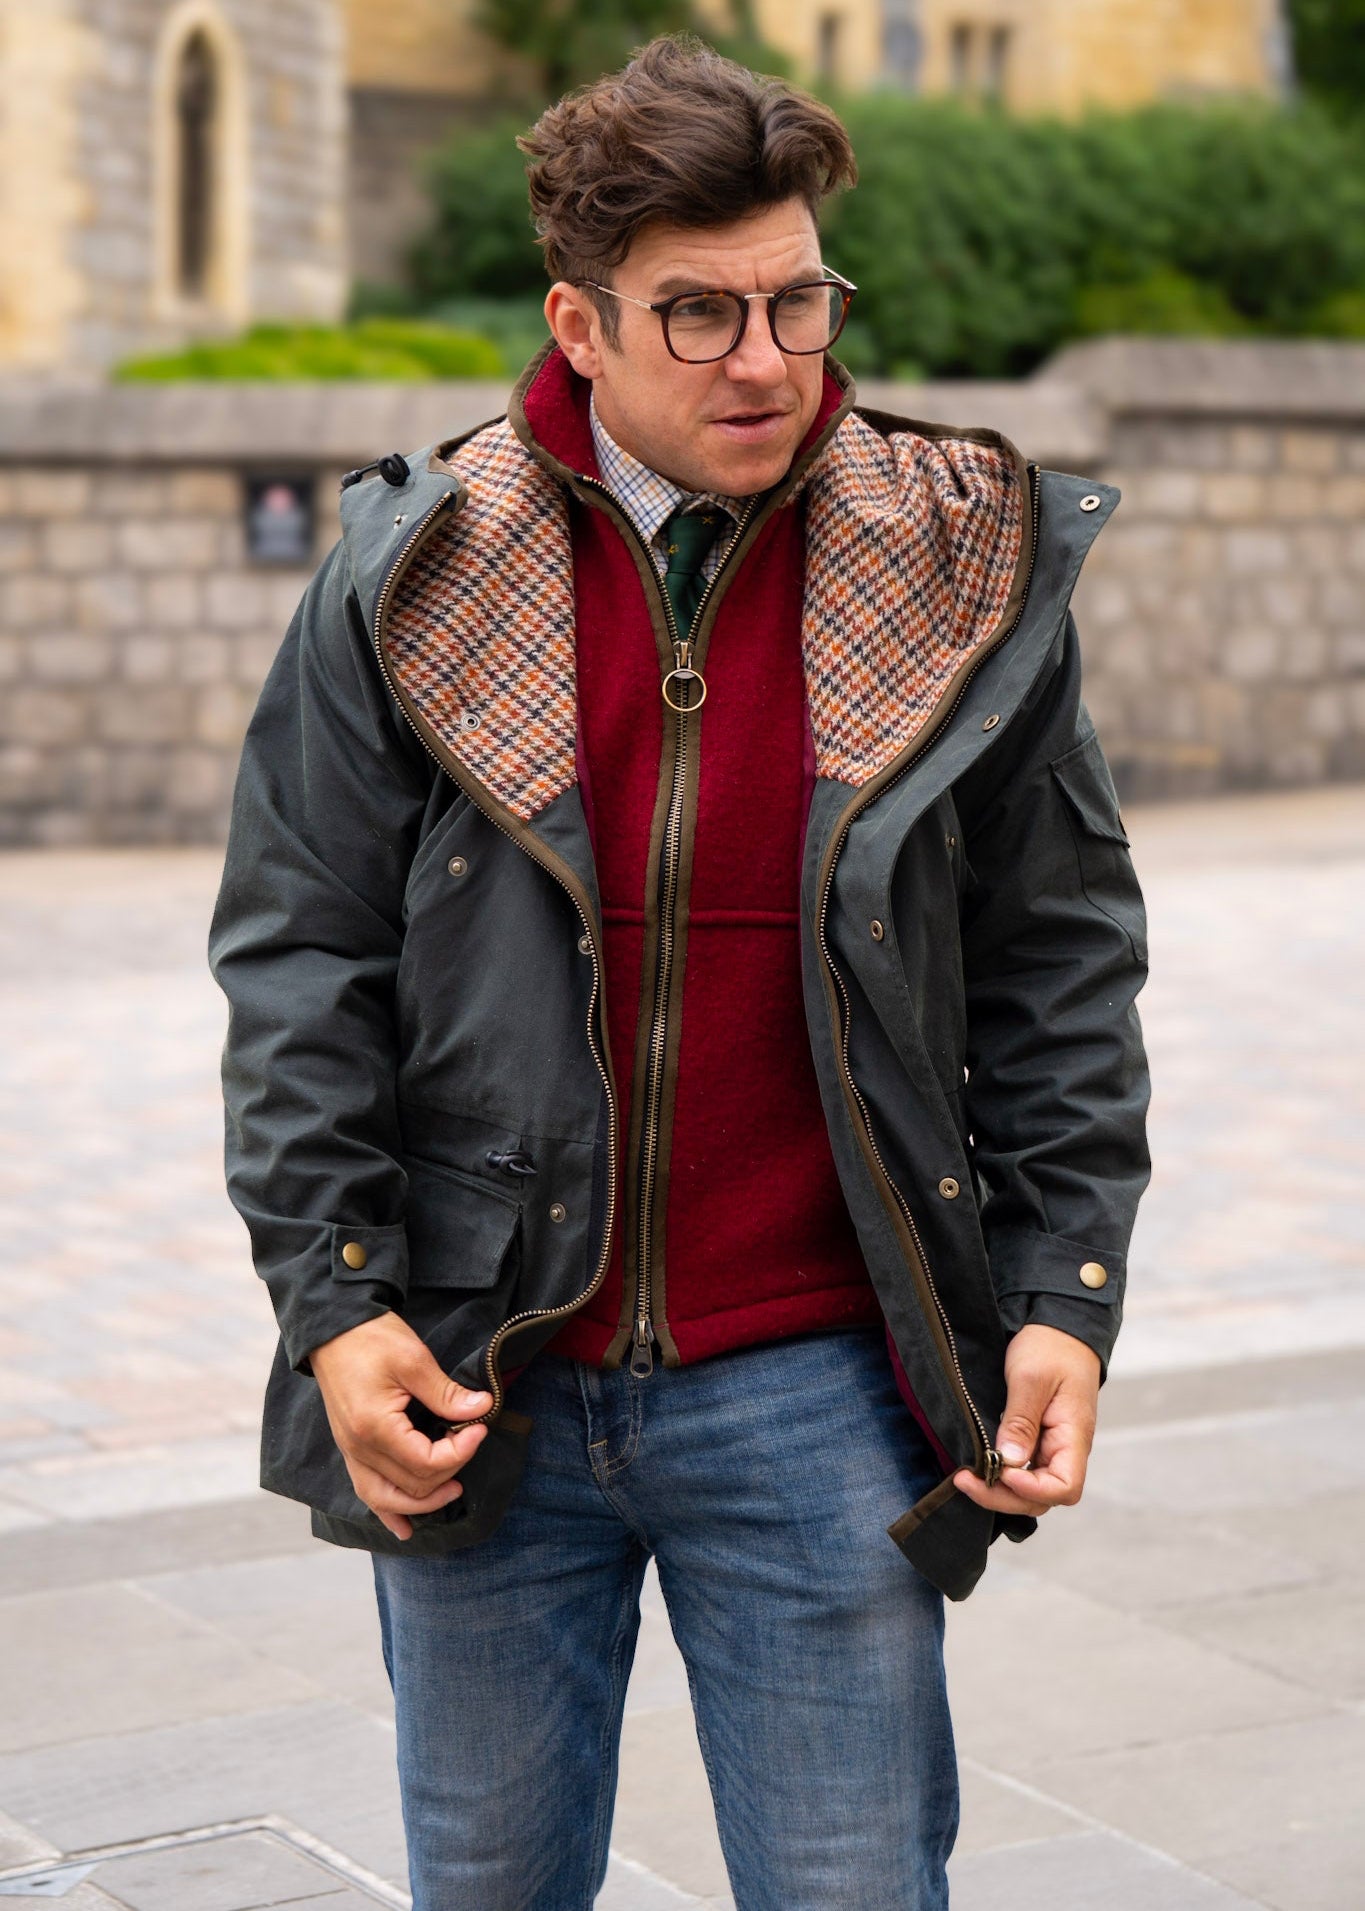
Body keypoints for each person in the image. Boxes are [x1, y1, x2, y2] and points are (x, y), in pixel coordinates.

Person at [209, 34, 1151, 1911]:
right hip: (483, 1371)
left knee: (851, 1887)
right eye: (699, 314)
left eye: (797, 298)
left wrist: (1063, 1292)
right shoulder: (419, 560)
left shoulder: (955, 559)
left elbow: (1057, 961)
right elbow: (299, 954)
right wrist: (337, 1300)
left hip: (817, 1384)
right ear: (577, 321)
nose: (764, 357)